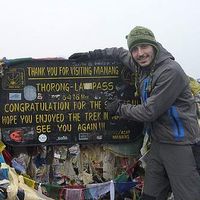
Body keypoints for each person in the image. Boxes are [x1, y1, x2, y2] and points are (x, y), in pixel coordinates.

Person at [69, 26, 200, 200]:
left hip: (180, 145)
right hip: (158, 144)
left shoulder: (170, 71)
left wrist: (118, 108)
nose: (140, 53)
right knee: (150, 195)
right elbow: (117, 52)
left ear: (154, 46)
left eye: (144, 47)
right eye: (135, 49)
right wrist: (90, 55)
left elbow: (149, 112)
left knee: (188, 195)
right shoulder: (140, 66)